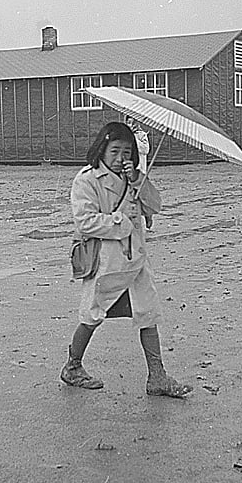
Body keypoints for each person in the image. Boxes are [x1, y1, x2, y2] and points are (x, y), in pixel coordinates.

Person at [60, 121, 193, 398]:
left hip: (136, 262)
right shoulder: (86, 180)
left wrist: (138, 181)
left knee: (148, 314)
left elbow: (155, 205)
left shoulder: (135, 177)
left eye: (126, 152)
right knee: (92, 315)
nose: (121, 158)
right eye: (115, 151)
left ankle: (157, 376)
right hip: (107, 264)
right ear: (102, 149)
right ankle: (73, 367)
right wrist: (122, 222)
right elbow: (85, 222)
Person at [125, 116, 153, 229]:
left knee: (142, 196)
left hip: (140, 171)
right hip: (128, 171)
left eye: (132, 122)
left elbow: (145, 150)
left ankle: (148, 215)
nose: (130, 125)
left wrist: (135, 139)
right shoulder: (125, 136)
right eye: (128, 122)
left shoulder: (142, 135)